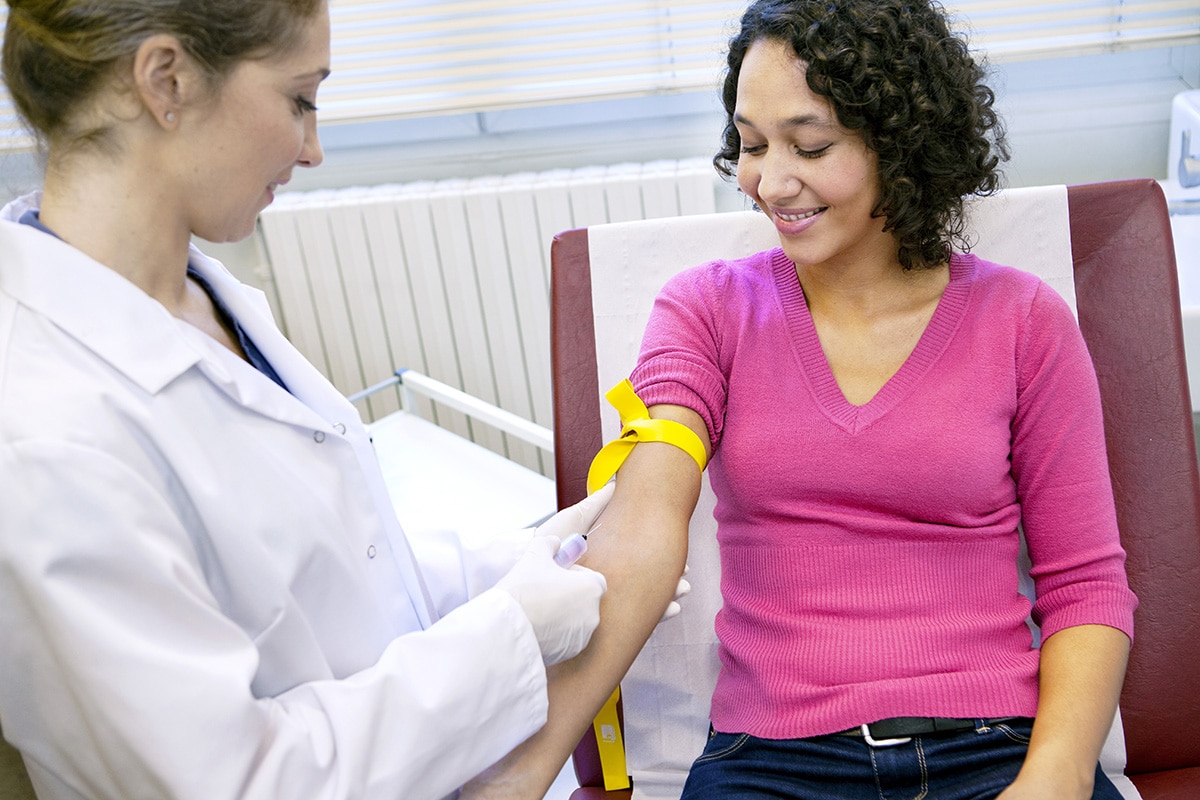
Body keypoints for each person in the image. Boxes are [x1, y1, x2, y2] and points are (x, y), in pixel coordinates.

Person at [464, 0, 1140, 798]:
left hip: (992, 746)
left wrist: (1054, 777)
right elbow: (642, 535)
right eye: (751, 144)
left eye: (809, 145)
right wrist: (524, 770)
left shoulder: (1024, 324)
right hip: (771, 760)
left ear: (901, 140)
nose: (769, 181)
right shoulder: (705, 313)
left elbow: (1086, 584)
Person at [0, 1, 654, 798]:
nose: (313, 148)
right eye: (300, 99)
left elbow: (340, 583)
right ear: (165, 80)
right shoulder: (42, 441)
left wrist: (513, 565)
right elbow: (237, 782)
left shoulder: (205, 299)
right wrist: (510, 631)